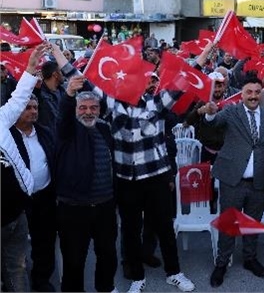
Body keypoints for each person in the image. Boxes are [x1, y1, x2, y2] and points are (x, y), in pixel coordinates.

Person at [50, 43, 196, 293]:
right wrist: (56, 53)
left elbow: (185, 78)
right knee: (130, 230)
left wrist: (204, 55)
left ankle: (174, 272)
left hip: (156, 177)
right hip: (126, 180)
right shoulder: (110, 105)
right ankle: (137, 277)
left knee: (164, 227)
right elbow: (81, 80)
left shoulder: (157, 103)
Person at [202, 76, 264, 287]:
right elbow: (214, 123)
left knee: (252, 223)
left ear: (261, 93)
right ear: (241, 94)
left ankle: (250, 258)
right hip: (232, 180)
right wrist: (209, 114)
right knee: (229, 223)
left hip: (258, 182)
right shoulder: (232, 111)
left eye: (256, 92)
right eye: (248, 92)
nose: (253, 96)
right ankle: (222, 263)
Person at [54, 76, 117, 292]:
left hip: (104, 206)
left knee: (108, 255)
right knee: (74, 261)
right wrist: (70, 93)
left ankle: (105, 289)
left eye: (93, 107)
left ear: (99, 110)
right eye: (83, 108)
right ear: (76, 109)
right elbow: (64, 115)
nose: (88, 112)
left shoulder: (104, 128)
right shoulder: (67, 130)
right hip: (74, 208)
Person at [1, 47, 46, 292]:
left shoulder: (1, 118)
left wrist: (30, 68)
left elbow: (19, 98)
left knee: (17, 269)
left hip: (16, 216)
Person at [10, 86, 57, 292]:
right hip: (18, 200)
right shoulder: (7, 136)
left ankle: (42, 279)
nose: (33, 111)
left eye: (35, 107)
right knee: (15, 247)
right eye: (27, 107)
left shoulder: (45, 132)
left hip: (45, 196)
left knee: (45, 240)